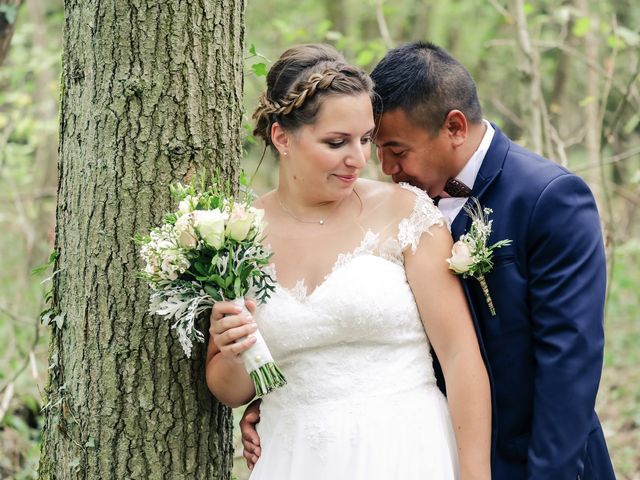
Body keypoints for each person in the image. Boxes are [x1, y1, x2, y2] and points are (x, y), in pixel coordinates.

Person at [240, 41, 617, 479]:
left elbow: (568, 365)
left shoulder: (549, 199)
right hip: (421, 447)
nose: (380, 166)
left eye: (396, 150)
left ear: (455, 127)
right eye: (373, 145)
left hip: (537, 456)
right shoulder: (391, 206)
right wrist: (292, 400)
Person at [206, 43, 491, 480]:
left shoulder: (407, 214)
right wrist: (230, 347)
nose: (359, 160)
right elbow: (233, 389)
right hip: (295, 456)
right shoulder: (237, 233)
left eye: (364, 139)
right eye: (336, 142)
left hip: (407, 452)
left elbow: (459, 357)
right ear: (282, 137)